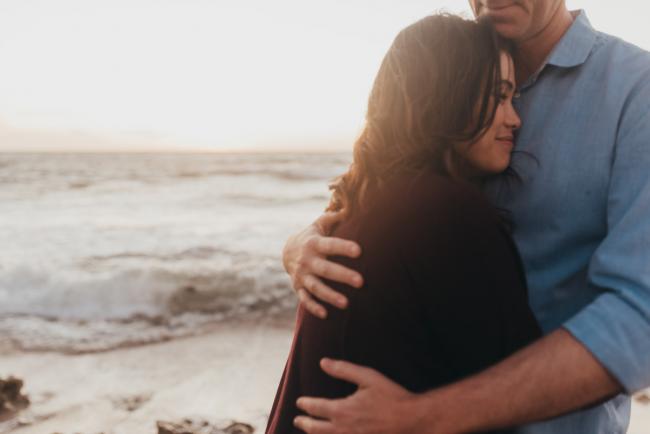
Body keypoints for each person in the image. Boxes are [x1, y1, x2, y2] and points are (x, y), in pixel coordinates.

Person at [283, 1, 650, 433]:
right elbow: (379, 180)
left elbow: (641, 318)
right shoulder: (451, 59)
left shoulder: (635, 89)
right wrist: (302, 241)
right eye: (500, 98)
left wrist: (427, 416)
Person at [266, 14, 542, 434]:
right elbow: (519, 389)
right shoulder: (449, 213)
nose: (514, 118)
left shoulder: (365, 201)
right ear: (447, 97)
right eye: (499, 97)